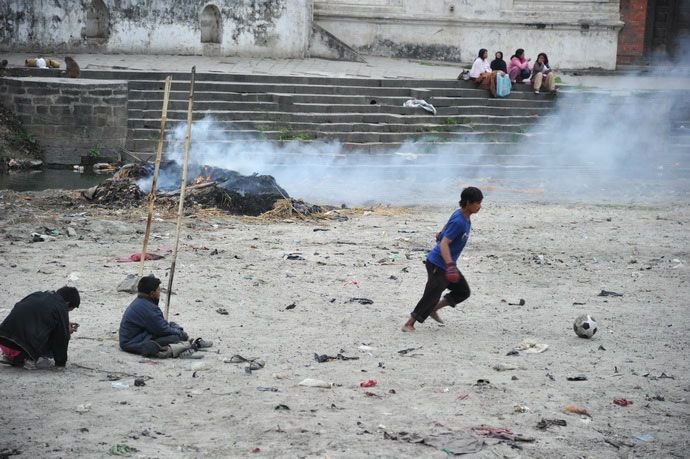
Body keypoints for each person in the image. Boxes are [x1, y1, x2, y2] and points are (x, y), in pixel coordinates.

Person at [402, 187, 483, 332]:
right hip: (439, 263)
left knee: (463, 291)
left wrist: (441, 233)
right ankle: (409, 323)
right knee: (431, 294)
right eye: (477, 203)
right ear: (468, 202)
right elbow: (444, 244)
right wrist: (450, 265)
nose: (480, 206)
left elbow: (447, 227)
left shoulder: (463, 216)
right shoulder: (459, 221)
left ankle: (433, 310)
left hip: (446, 264)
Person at [119, 275, 212, 359]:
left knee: (172, 325)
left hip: (137, 337)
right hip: (133, 343)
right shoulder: (148, 308)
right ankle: (185, 346)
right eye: (158, 290)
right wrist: (180, 333)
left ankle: (185, 341)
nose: (159, 293)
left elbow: (160, 326)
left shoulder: (142, 302)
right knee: (174, 337)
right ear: (152, 293)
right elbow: (162, 330)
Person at [0, 286, 81, 367]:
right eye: (69, 310)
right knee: (57, 337)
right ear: (67, 303)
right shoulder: (60, 306)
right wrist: (61, 365)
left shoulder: (37, 295)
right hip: (20, 349)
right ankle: (23, 358)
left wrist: (64, 323)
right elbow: (61, 339)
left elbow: (29, 316)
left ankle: (11, 356)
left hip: (3, 341)